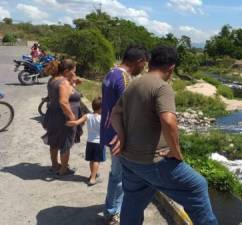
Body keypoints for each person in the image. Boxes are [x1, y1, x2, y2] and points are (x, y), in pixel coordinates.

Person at [110, 46, 218, 225]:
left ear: (150, 62)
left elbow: (115, 113)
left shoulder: (134, 83)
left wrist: (122, 137)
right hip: (153, 161)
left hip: (129, 158)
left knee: (133, 200)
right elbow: (168, 122)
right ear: (171, 67)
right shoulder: (162, 87)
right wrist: (176, 151)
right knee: (197, 186)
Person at [100, 45, 149, 225]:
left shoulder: (111, 73)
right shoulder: (124, 78)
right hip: (118, 136)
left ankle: (112, 209)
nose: (144, 68)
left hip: (109, 131)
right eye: (144, 64)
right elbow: (128, 110)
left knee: (117, 174)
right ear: (139, 61)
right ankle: (113, 213)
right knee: (120, 177)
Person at [44, 59, 81, 176]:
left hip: (52, 114)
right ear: (66, 71)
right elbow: (64, 102)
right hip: (63, 117)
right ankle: (64, 169)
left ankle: (55, 165)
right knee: (65, 143)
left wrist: (73, 82)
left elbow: (63, 92)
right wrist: (72, 118)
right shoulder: (63, 83)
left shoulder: (53, 79)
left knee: (54, 141)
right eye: (73, 71)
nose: (74, 73)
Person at [66, 97, 105, 186]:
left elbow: (76, 122)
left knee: (91, 160)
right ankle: (93, 179)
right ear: (101, 108)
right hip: (99, 142)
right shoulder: (102, 118)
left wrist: (67, 123)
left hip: (90, 142)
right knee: (96, 160)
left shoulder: (87, 116)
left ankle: (92, 174)